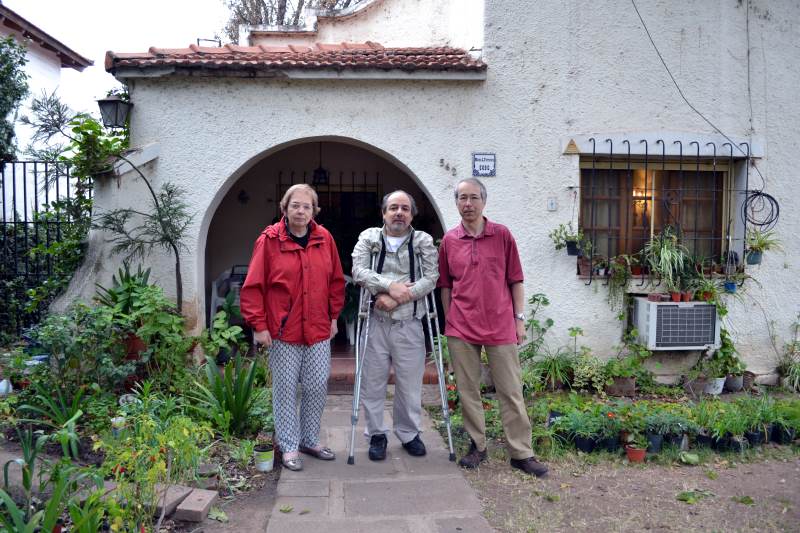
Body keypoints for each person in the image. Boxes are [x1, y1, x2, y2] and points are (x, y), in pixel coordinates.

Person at [437, 177, 548, 477]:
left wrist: (519, 320)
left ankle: (521, 453)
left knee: (511, 390)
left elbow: (516, 280)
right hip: (461, 327)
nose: (468, 204)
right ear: (456, 203)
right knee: (467, 389)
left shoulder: (502, 235)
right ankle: (478, 446)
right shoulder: (449, 240)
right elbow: (446, 285)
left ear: (484, 201)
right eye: (462, 198)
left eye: (474, 197)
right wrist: (450, 321)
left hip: (500, 324)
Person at [240, 184, 345, 471]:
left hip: (318, 329)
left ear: (314, 211)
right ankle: (288, 445)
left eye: (307, 206)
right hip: (283, 332)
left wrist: (334, 316)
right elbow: (253, 286)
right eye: (295, 205)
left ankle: (309, 440)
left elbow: (336, 281)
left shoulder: (325, 239)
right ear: (284, 208)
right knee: (285, 389)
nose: (301, 210)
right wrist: (259, 326)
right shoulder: (269, 241)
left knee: (316, 385)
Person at [351, 190, 439, 461]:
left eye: (404, 208)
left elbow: (432, 277)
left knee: (409, 384)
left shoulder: (422, 240)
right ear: (384, 213)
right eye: (393, 208)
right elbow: (358, 271)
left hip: (409, 323)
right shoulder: (369, 237)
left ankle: (409, 433)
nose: (399, 213)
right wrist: (391, 287)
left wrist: (404, 296)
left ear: (412, 214)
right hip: (375, 322)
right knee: (372, 383)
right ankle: (377, 434)